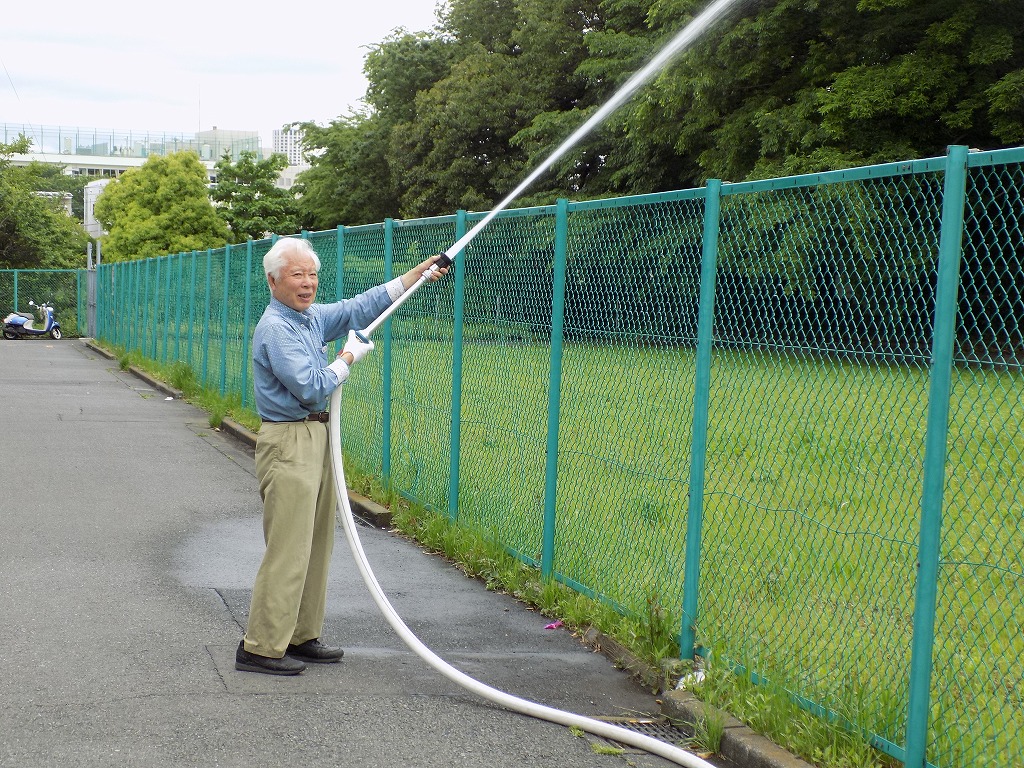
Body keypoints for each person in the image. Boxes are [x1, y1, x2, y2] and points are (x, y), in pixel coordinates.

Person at [236, 236, 448, 676]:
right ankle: (260, 646)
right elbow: (312, 385)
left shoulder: (309, 317)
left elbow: (357, 308)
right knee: (289, 547)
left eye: (312, 274)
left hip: (316, 435)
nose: (308, 283)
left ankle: (299, 636)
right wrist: (349, 357)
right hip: (289, 441)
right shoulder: (276, 328)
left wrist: (416, 276)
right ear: (273, 281)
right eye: (297, 275)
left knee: (316, 543)